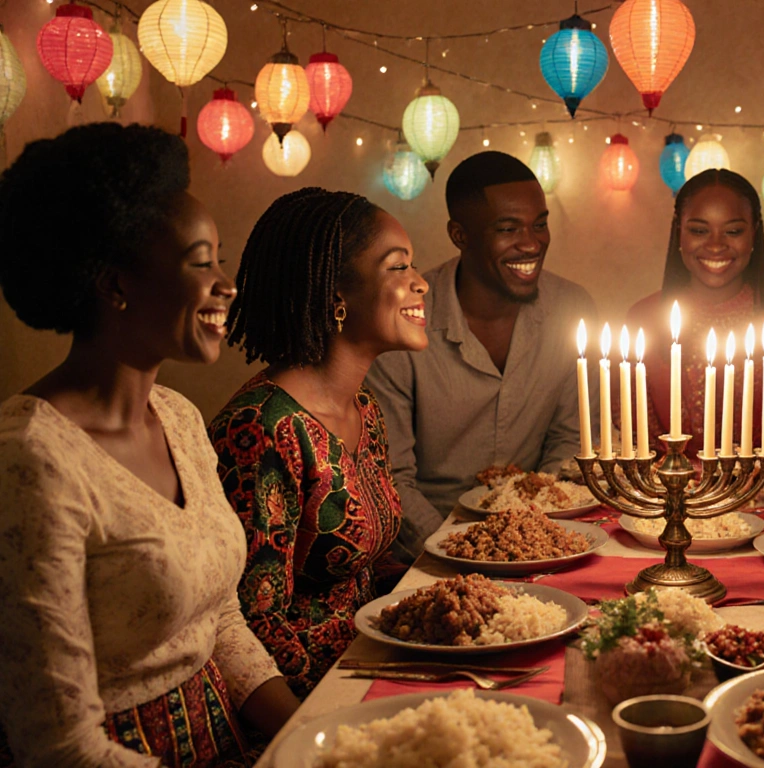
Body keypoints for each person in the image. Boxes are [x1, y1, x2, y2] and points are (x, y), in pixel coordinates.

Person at [0, 124, 297, 766]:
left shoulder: (179, 418)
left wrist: (312, 740)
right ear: (114, 285)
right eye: (201, 263)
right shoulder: (33, 459)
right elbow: (57, 746)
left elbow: (218, 621)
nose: (227, 284)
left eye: (221, 259)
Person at [209, 188, 427, 698]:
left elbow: (364, 572)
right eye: (398, 268)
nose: (420, 282)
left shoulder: (363, 409)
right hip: (309, 700)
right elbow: (248, 625)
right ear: (336, 297)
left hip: (375, 661)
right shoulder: (263, 429)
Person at [367, 152, 596, 559]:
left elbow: (570, 442)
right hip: (424, 552)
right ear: (460, 235)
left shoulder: (571, 309)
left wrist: (535, 533)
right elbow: (392, 479)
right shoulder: (404, 319)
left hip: (541, 539)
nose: (531, 243)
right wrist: (465, 550)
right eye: (507, 228)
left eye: (539, 224)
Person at [627, 169, 764, 456]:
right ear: (679, 234)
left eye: (733, 231)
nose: (715, 245)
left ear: (754, 234)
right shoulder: (643, 319)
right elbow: (640, 441)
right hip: (669, 494)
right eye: (699, 230)